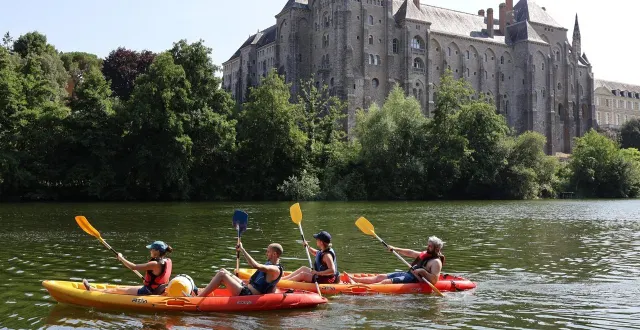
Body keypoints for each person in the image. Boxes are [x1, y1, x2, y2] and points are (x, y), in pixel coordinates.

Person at [82, 241, 173, 295]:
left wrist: (121, 258)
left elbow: (133, 267)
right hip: (158, 289)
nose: (150, 250)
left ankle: (92, 290)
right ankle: (97, 290)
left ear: (157, 251)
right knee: (124, 287)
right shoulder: (167, 261)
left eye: (151, 249)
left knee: (117, 290)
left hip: (149, 291)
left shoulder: (155, 263)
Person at [345, 236, 444, 285]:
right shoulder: (426, 254)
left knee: (386, 282)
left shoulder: (436, 262)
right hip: (409, 274)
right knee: (381, 276)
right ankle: (355, 280)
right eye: (428, 245)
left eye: (430, 246)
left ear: (437, 249)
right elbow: (410, 253)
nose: (428, 247)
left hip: (414, 280)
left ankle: (358, 286)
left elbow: (434, 280)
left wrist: (422, 271)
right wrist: (395, 248)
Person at [196, 242, 283, 297]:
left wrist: (242, 250)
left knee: (222, 275)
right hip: (246, 287)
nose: (266, 253)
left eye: (268, 251)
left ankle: (198, 298)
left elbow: (254, 265)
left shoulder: (275, 269)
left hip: (248, 294)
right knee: (223, 270)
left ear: (274, 254)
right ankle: (203, 291)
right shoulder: (271, 265)